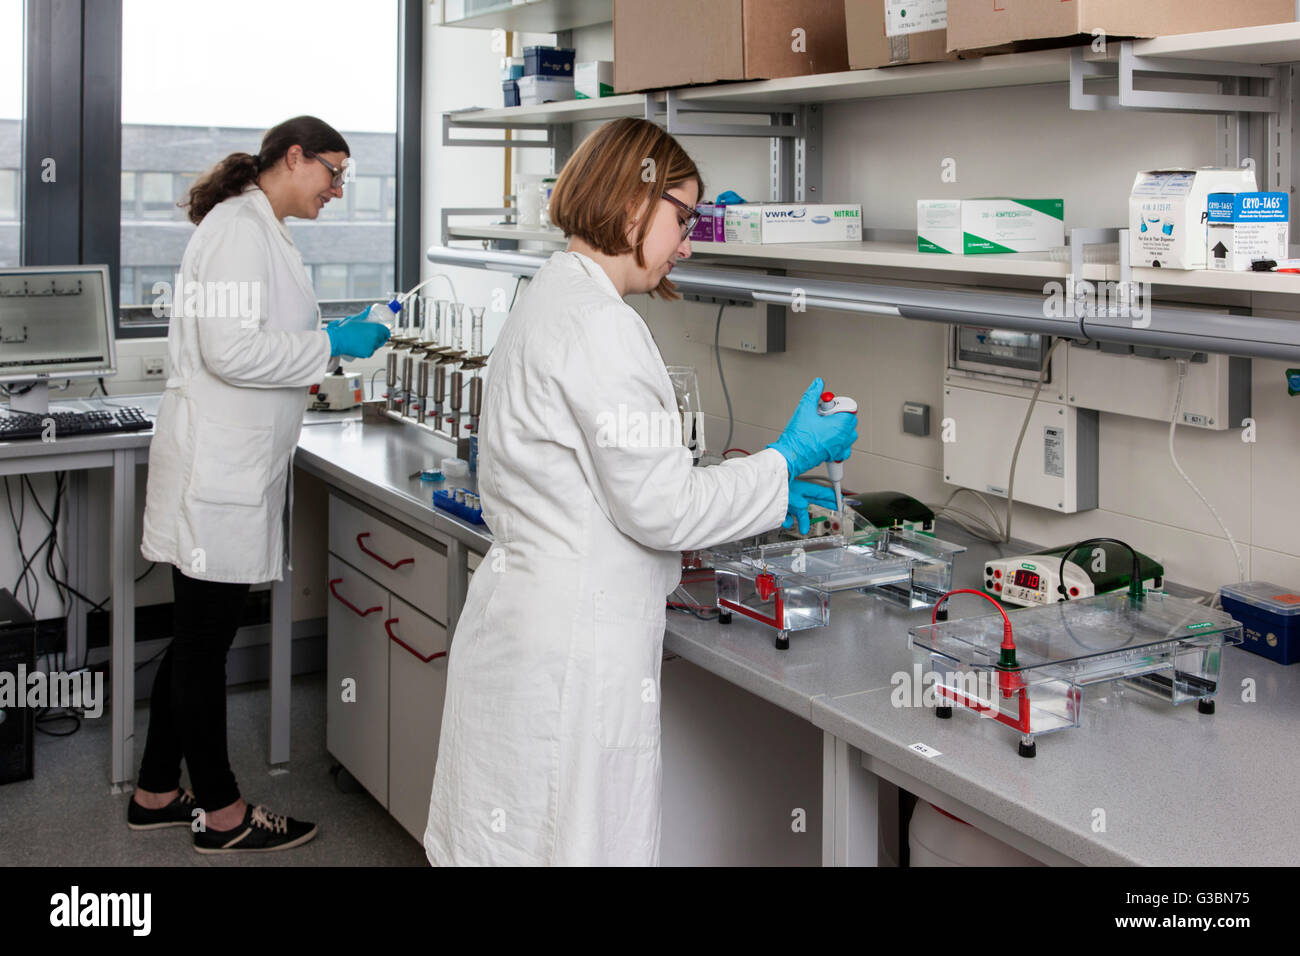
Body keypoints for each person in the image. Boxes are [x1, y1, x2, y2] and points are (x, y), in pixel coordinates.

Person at [424, 117, 857, 866]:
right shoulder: (600, 326)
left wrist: (762, 489)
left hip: (531, 623)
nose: (688, 242)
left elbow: (621, 490)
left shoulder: (551, 293)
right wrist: (785, 461)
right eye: (682, 218)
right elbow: (662, 508)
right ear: (633, 205)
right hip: (572, 650)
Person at [131, 116, 390, 853]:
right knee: (203, 647)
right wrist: (331, 344)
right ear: (294, 156)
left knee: (193, 641)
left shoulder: (259, 227)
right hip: (218, 473)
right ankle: (222, 815)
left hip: (232, 466)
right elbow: (231, 348)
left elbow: (258, 339)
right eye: (331, 172)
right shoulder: (240, 229)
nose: (338, 190)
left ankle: (154, 792)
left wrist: (325, 342)